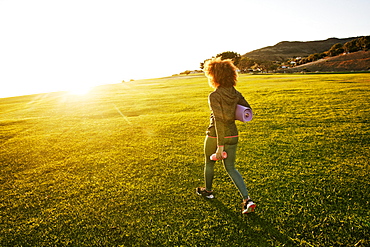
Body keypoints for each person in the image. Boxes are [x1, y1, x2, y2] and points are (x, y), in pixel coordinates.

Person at [196, 57, 256, 214]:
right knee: (231, 168)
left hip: (216, 136)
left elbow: (219, 120)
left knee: (209, 164)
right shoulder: (236, 93)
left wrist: (219, 147)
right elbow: (247, 110)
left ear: (214, 76)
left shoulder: (214, 95)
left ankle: (208, 191)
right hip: (233, 135)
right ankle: (247, 200)